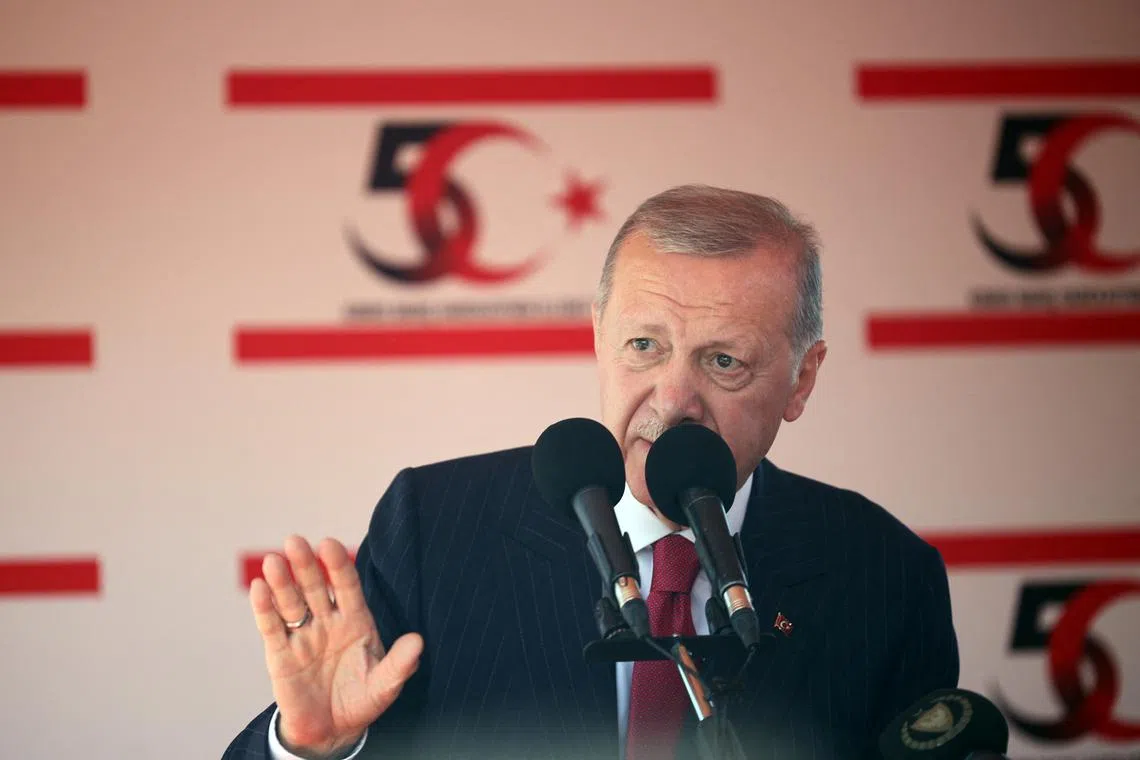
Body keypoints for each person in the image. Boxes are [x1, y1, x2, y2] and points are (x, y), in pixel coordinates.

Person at [222, 185, 959, 760]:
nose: (672, 403)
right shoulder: (435, 526)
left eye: (723, 360)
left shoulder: (885, 574)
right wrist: (316, 748)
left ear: (802, 380)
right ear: (599, 340)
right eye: (644, 345)